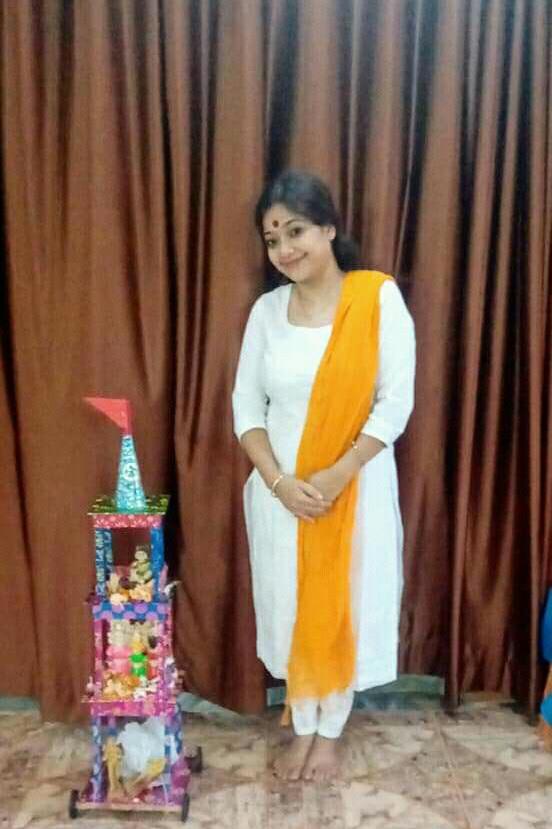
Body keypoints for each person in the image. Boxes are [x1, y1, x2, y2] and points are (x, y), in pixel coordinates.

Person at [232, 170, 415, 782]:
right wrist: (279, 483)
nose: (284, 249)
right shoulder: (266, 312)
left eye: (296, 231)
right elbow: (245, 409)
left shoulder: (376, 299)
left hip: (355, 490)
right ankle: (303, 723)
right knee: (291, 607)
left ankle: (330, 730)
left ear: (329, 228)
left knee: (344, 606)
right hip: (282, 495)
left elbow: (395, 402)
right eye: (272, 238)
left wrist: (339, 473)